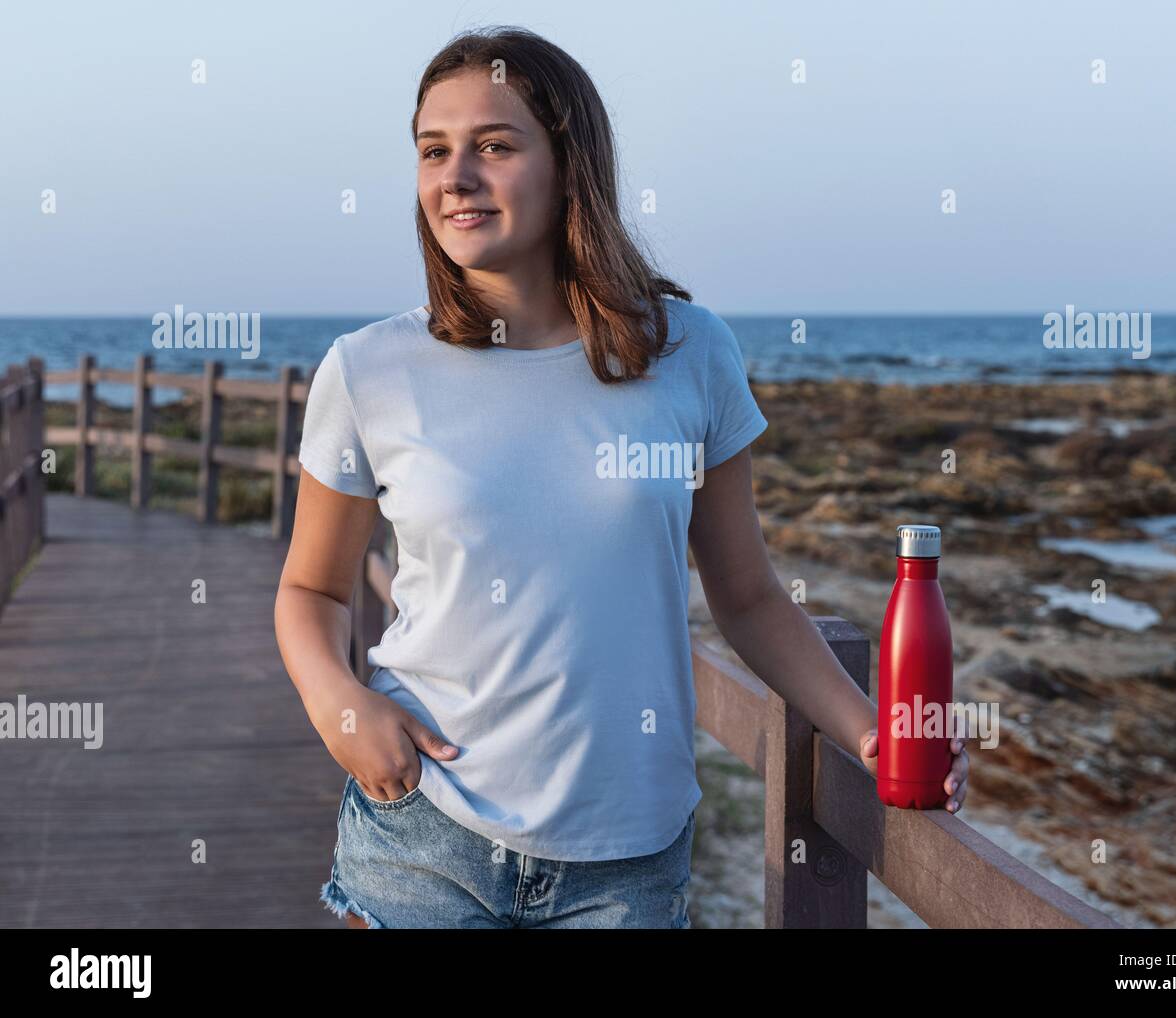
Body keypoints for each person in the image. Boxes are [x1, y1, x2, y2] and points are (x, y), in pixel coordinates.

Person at [274, 25, 968, 930]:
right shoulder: (367, 369)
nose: (456, 177)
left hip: (628, 866)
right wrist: (341, 710)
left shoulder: (689, 353)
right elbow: (310, 588)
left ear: (570, 165)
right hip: (422, 838)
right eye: (433, 151)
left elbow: (751, 597)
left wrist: (872, 735)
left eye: (493, 145)